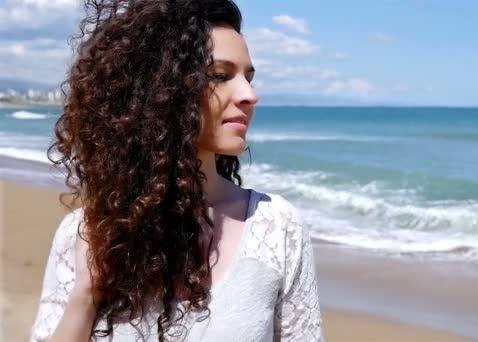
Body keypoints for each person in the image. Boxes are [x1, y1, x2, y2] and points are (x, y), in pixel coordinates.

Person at [29, 0, 323, 341]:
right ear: (159, 90)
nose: (249, 94)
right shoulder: (86, 234)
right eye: (220, 76)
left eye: (249, 77)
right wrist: (87, 295)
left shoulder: (277, 229)